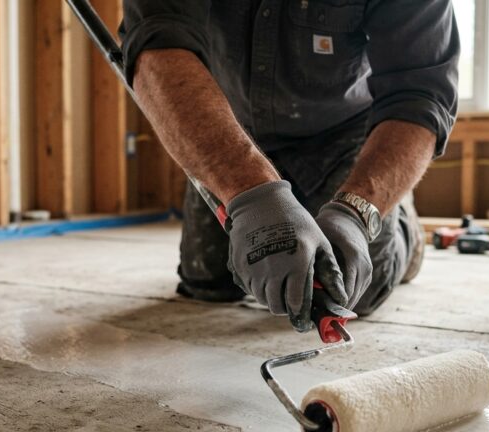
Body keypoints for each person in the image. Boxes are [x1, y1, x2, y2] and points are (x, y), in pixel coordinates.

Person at [121, 0, 459, 333]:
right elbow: (157, 46)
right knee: (209, 280)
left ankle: (402, 228)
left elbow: (420, 95)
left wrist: (357, 213)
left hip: (344, 135)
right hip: (229, 132)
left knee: (352, 285)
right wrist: (252, 195)